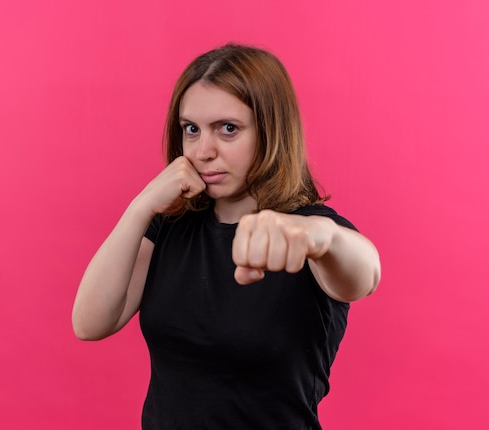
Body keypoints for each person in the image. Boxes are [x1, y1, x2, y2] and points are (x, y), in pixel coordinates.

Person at [72, 43, 381, 429]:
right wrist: (140, 207)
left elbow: (364, 274)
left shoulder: (305, 232)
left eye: (228, 129)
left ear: (271, 130)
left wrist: (320, 236)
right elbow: (89, 323)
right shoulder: (170, 225)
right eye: (191, 129)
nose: (203, 151)